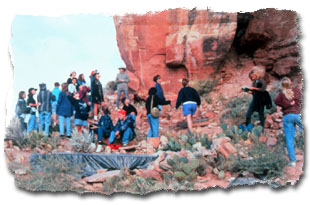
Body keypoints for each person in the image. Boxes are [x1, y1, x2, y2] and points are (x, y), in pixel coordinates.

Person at [274, 77, 303, 167]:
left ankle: (293, 161)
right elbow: (300, 100)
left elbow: (276, 101)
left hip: (287, 116)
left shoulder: (281, 94)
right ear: (290, 83)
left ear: (282, 85)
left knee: (289, 139)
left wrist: (285, 105)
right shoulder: (296, 91)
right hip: (298, 115)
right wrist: (294, 104)